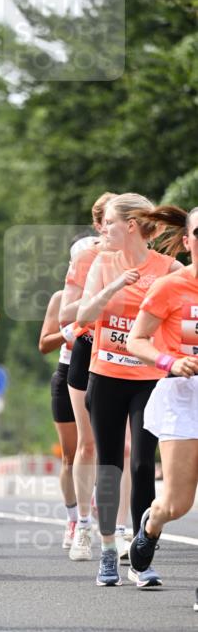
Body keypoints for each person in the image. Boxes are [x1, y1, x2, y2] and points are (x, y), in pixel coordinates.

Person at [76, 194, 183, 586]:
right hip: (105, 376)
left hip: (149, 379)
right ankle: (107, 550)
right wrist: (114, 286)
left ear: (131, 225)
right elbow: (83, 315)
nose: (103, 229)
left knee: (141, 465)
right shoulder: (102, 263)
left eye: (108, 223)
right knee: (109, 465)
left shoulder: (168, 268)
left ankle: (141, 554)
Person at [126, 205, 198, 588]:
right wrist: (170, 361)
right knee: (177, 504)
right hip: (183, 395)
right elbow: (136, 340)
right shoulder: (170, 287)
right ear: (187, 241)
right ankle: (152, 525)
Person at [59, 194, 114, 560]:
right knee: (87, 444)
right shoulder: (85, 256)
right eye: (107, 221)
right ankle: (81, 524)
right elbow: (66, 315)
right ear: (99, 225)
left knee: (123, 449)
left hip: (127, 359)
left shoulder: (149, 261)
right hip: (85, 350)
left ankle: (121, 530)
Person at [39, 290, 78, 547]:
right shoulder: (60, 298)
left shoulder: (114, 292)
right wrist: (71, 331)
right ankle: (73, 518)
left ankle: (115, 524)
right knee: (70, 456)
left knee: (109, 451)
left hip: (105, 373)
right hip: (67, 372)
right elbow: (44, 345)